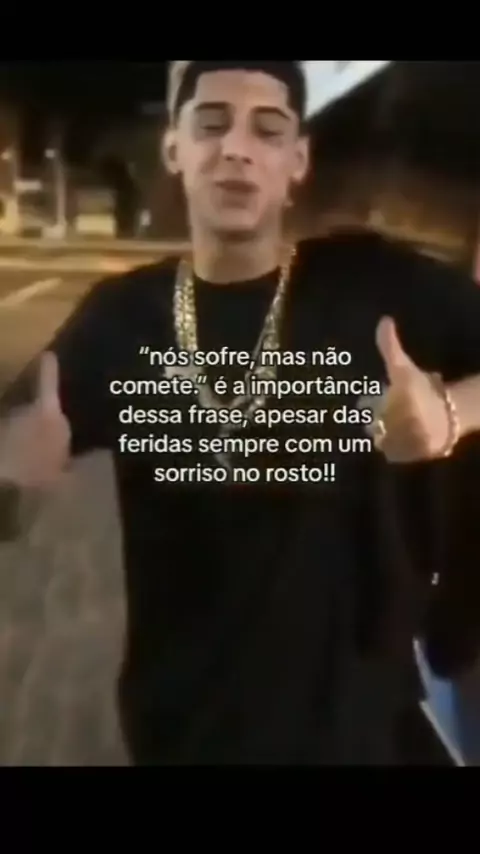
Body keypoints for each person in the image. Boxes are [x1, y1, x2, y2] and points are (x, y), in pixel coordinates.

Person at [1, 59, 480, 765]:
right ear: (175, 149)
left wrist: (448, 413)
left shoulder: (374, 284)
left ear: (297, 161)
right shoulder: (120, 319)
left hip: (365, 736)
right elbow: (10, 472)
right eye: (212, 124)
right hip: (184, 734)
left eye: (267, 129)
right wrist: (14, 469)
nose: (236, 149)